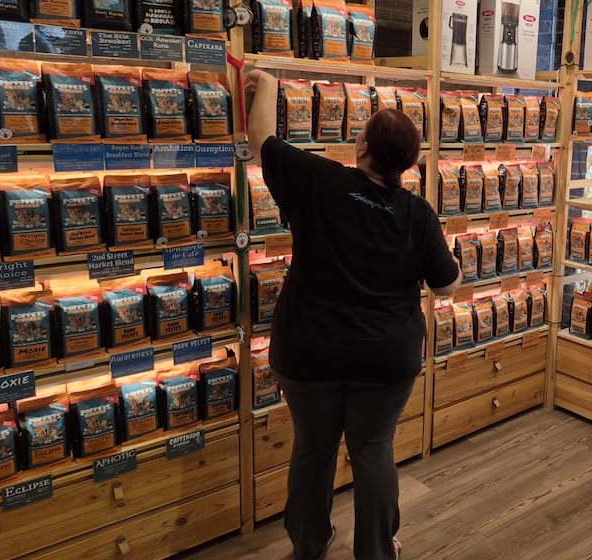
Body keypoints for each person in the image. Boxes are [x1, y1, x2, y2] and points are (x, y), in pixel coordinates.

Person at [244, 68, 461, 560]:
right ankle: (377, 551)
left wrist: (269, 84)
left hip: (308, 352)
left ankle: (310, 545)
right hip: (385, 359)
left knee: (312, 449)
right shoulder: (418, 214)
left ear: (360, 148)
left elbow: (261, 139)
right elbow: (446, 285)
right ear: (411, 164)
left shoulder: (318, 180)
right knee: (373, 450)